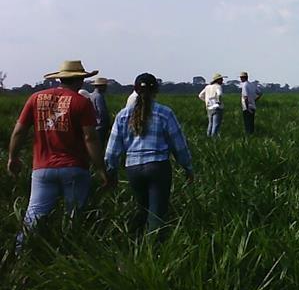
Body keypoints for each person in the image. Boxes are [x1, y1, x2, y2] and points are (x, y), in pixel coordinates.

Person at [7, 60, 108, 251]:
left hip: (42, 168)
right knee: (74, 217)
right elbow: (90, 138)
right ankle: (71, 256)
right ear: (79, 80)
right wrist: (100, 168)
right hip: (75, 168)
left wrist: (13, 157)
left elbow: (19, 132)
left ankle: (18, 255)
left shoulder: (35, 98)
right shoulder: (81, 102)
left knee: (34, 216)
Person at [105, 73, 194, 237]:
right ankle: (155, 249)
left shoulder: (122, 115)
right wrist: (187, 166)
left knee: (142, 208)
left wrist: (111, 171)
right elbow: (178, 144)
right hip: (158, 166)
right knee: (157, 213)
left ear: (135, 90)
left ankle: (137, 243)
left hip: (133, 169)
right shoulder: (165, 113)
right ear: (156, 90)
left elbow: (112, 149)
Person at [90, 77, 111, 146]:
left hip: (94, 126)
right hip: (100, 127)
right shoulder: (99, 96)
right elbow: (102, 112)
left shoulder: (91, 96)